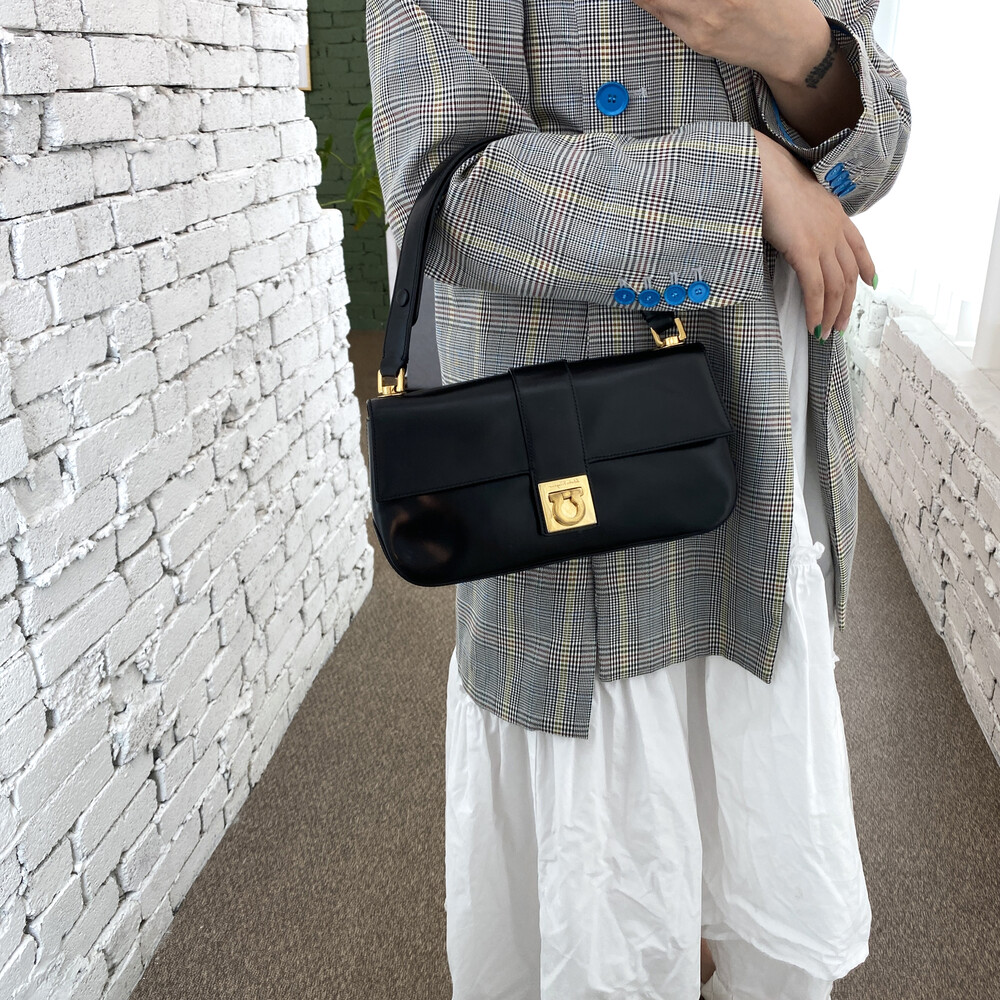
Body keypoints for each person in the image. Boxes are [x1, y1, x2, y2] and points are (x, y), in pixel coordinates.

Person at [365, 1, 911, 998]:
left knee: (746, 828)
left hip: (762, 438)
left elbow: (865, 168)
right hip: (561, 489)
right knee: (605, 884)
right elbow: (444, 192)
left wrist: (797, 49)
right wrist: (741, 181)